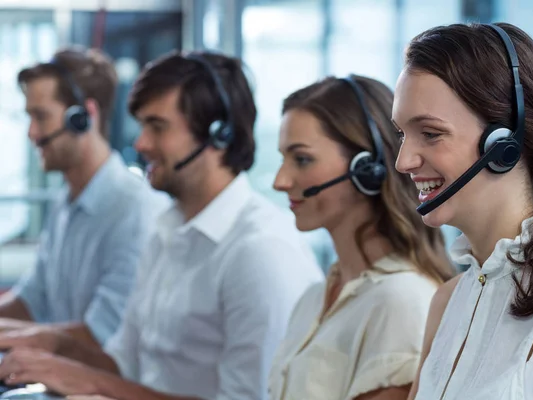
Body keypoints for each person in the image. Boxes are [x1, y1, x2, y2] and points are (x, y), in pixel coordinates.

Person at [0, 50, 323, 400]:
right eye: (142, 126)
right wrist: (54, 344)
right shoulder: (168, 228)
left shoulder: (259, 252)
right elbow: (124, 366)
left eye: (157, 126)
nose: (140, 144)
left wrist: (86, 380)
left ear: (218, 135)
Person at [391, 22, 533, 400]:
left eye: (431, 134)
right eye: (401, 134)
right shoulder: (447, 301)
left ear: (503, 144)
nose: (403, 161)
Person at [268, 75, 455, 400]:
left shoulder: (400, 302)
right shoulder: (314, 298)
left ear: (368, 168)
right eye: (283, 159)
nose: (280, 181)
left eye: (301, 159)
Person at [0, 47, 166, 352]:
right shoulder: (64, 202)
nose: (31, 133)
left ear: (83, 117)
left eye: (40, 116)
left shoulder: (134, 211)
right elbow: (29, 301)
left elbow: (103, 336)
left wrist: (13, 338)